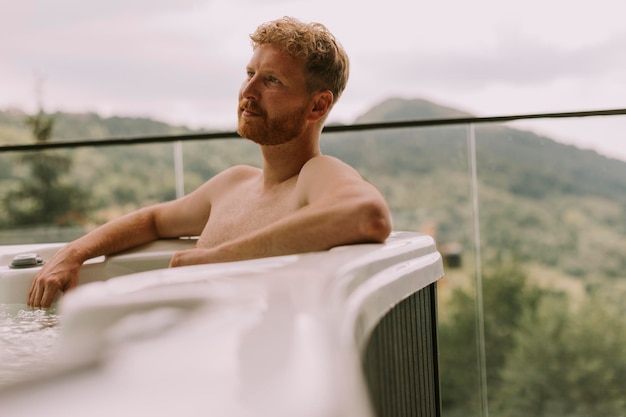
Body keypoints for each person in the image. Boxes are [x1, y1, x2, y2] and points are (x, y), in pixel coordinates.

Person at [27, 16, 392, 308]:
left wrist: (218, 257)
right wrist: (72, 253)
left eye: (272, 81)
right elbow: (153, 221)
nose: (248, 93)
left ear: (318, 105)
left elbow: (368, 215)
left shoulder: (315, 175)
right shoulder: (233, 183)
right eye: (250, 74)